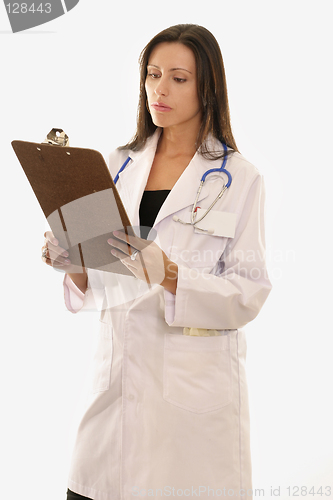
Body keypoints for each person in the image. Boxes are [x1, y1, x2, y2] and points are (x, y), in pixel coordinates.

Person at [42, 24, 272, 500]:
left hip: (191, 403)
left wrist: (169, 274)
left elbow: (249, 294)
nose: (159, 89)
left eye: (178, 78)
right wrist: (71, 260)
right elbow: (100, 275)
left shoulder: (240, 178)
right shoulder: (115, 164)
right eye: (152, 74)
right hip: (116, 387)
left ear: (208, 86)